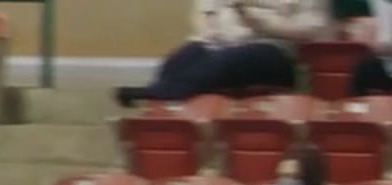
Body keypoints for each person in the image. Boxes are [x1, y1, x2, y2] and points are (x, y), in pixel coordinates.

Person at [113, 0, 331, 107]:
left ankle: (158, 93)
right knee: (178, 61)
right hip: (220, 43)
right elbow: (204, 11)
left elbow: (314, 28)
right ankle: (160, 98)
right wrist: (208, 30)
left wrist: (266, 25)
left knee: (225, 62)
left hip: (272, 48)